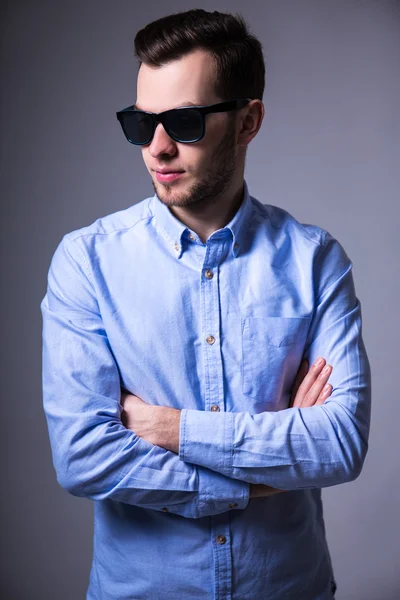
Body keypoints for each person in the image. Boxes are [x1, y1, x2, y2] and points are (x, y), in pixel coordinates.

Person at [40, 8, 371, 600]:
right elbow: (83, 458)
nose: (158, 149)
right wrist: (256, 479)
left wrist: (171, 429)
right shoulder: (86, 262)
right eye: (141, 125)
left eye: (185, 122)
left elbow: (340, 443)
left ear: (248, 122)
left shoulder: (315, 260)